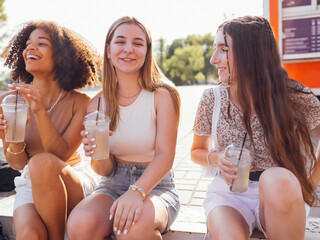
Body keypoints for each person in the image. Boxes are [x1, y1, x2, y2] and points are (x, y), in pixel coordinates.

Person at [191, 16, 320, 240]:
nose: (213, 59)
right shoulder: (213, 98)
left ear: (251, 52)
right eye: (215, 49)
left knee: (276, 178)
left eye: (223, 49)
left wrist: (309, 182)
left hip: (278, 193)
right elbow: (196, 152)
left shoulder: (293, 96)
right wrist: (216, 157)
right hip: (229, 195)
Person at [66, 16, 181, 240]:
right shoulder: (96, 104)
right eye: (120, 42)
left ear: (147, 52)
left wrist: (136, 192)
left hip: (155, 186)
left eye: (138, 43)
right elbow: (103, 170)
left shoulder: (163, 96)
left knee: (131, 228)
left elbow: (166, 155)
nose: (128, 49)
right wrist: (97, 152)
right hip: (112, 184)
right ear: (108, 50)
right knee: (79, 225)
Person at [0, 21, 102, 240]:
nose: (30, 48)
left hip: (72, 181)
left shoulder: (80, 103)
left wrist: (40, 111)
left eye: (41, 44)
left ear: (61, 56)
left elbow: (58, 156)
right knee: (31, 235)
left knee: (41, 162)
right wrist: (14, 141)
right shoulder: (7, 102)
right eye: (27, 44)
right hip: (29, 183)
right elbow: (18, 164)